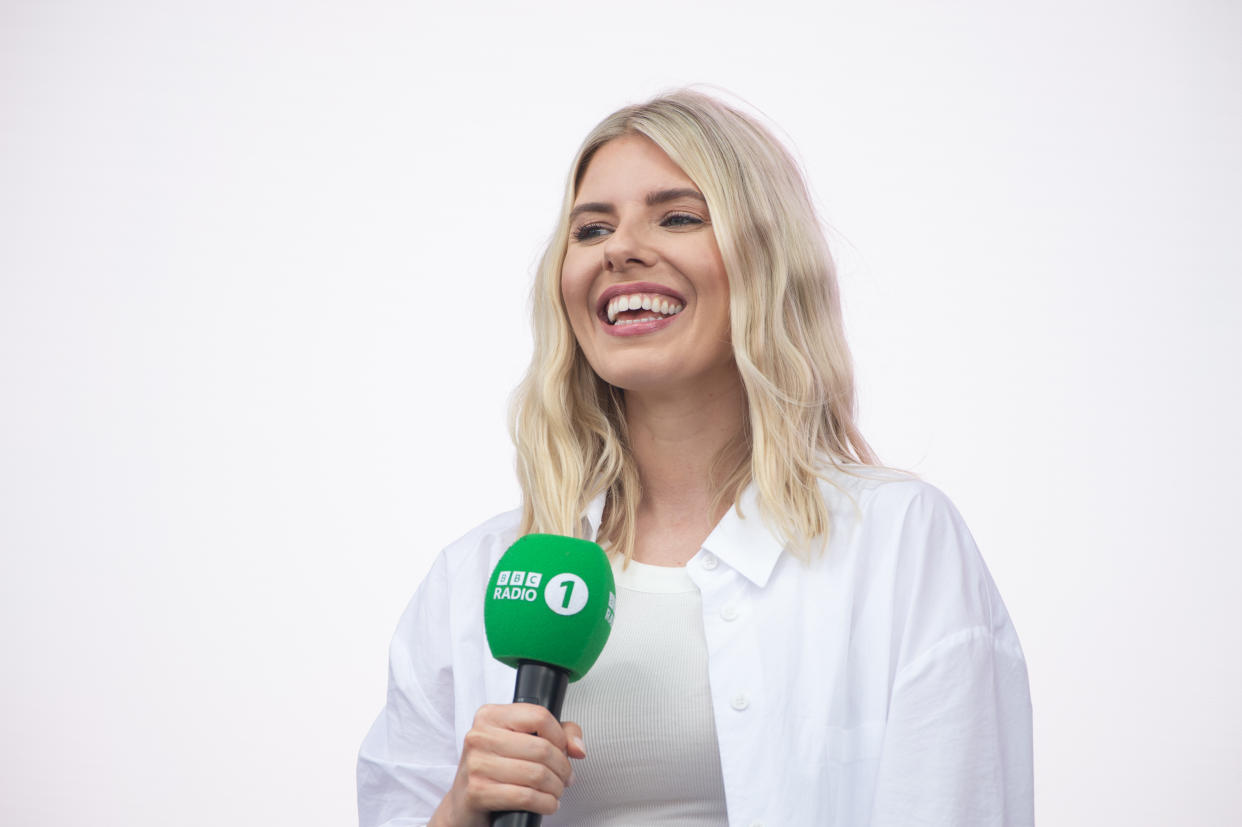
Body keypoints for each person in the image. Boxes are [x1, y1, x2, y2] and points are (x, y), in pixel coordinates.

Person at [357, 89, 1033, 827]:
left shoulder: (900, 543)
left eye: (678, 216)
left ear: (764, 260)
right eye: (591, 229)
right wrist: (461, 808)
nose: (619, 248)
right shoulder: (478, 572)